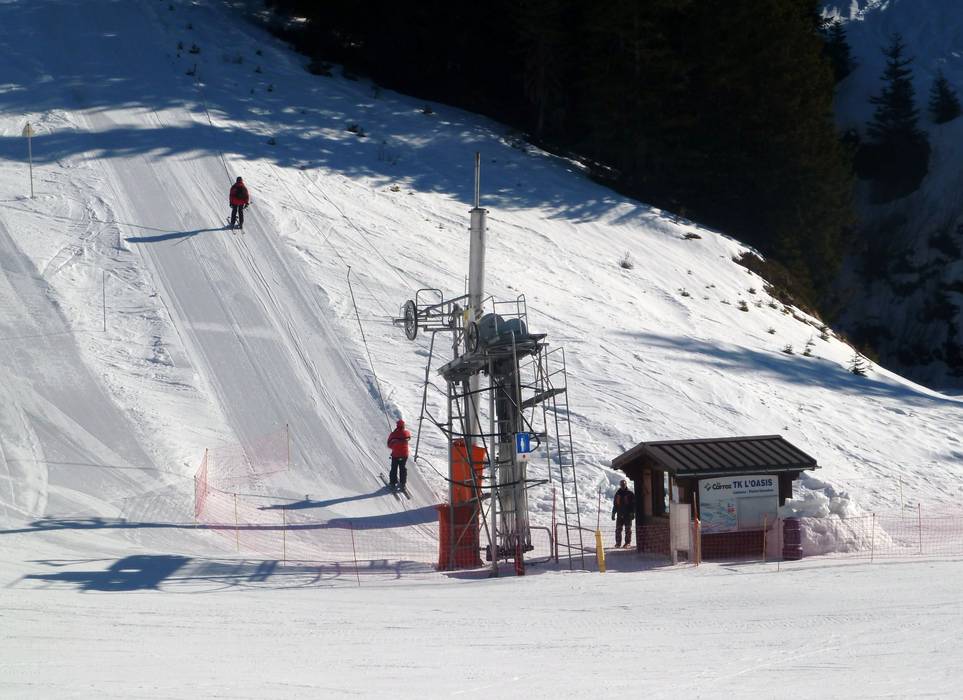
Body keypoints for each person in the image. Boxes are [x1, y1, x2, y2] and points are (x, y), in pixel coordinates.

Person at [386, 418, 411, 490]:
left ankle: (393, 483)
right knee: (402, 468)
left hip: (396, 455)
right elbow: (408, 437)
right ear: (403, 426)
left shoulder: (393, 435)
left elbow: (389, 445)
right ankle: (403, 483)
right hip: (404, 455)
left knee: (394, 468)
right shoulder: (407, 433)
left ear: (397, 426)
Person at [611, 479, 635, 548]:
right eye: (621, 485)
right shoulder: (617, 493)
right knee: (618, 529)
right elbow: (615, 504)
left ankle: (627, 543)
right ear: (620, 485)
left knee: (628, 530)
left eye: (624, 485)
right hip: (619, 514)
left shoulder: (630, 493)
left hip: (628, 515)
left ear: (626, 484)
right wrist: (613, 513)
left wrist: (633, 513)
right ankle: (618, 543)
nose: (623, 486)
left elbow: (633, 504)